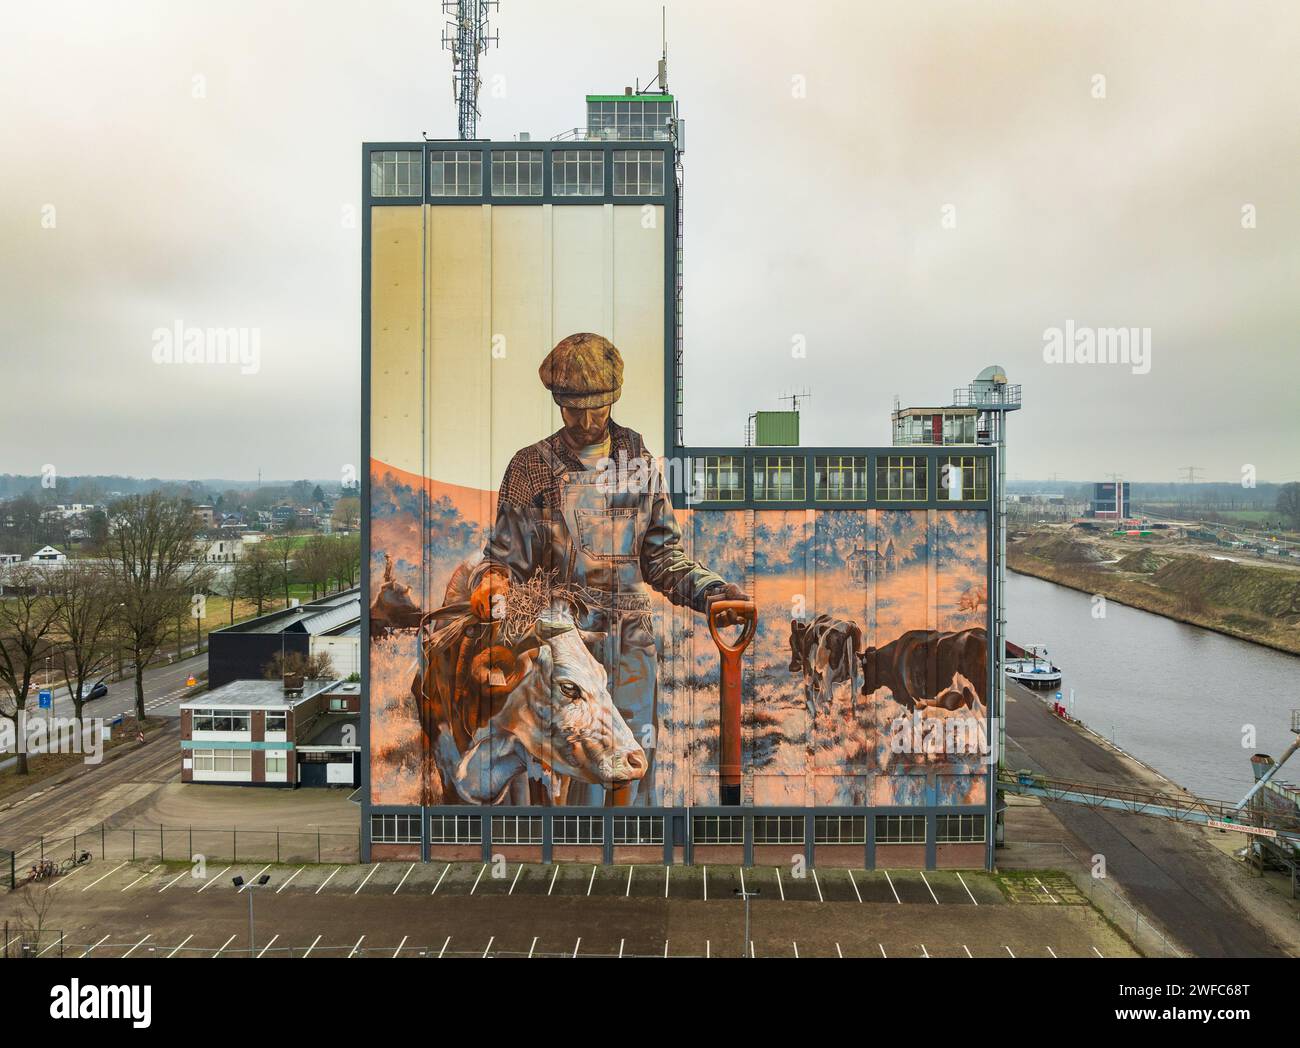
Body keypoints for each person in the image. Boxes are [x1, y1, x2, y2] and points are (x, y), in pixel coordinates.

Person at [480, 332, 749, 805]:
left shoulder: (640, 465)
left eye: (596, 408)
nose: (585, 420)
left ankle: (629, 866)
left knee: (632, 767)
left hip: (632, 647)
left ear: (613, 401)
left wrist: (711, 591)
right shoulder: (530, 469)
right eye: (573, 408)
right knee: (577, 772)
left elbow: (663, 558)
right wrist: (494, 582)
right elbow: (506, 563)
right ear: (557, 403)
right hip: (565, 645)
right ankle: (572, 873)